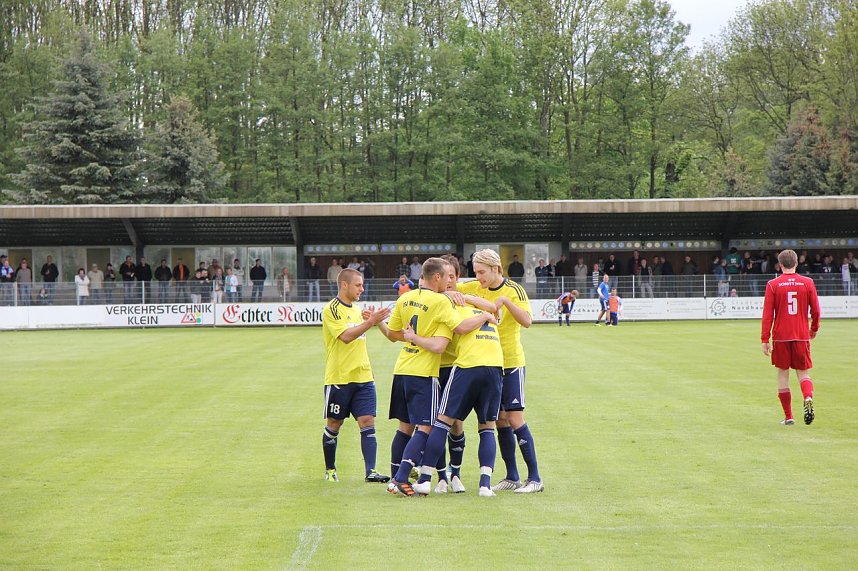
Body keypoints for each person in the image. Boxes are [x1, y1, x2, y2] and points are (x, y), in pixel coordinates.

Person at [381, 257, 496, 496]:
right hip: (426, 371)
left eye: (453, 276)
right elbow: (456, 331)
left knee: (406, 427)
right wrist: (485, 316)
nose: (449, 281)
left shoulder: (404, 298)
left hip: (403, 368)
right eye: (446, 276)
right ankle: (404, 478)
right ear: (437, 277)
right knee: (428, 426)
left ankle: (404, 477)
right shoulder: (442, 303)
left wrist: (412, 337)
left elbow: (393, 333)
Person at [457, 249, 543, 494]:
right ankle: (512, 476)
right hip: (490, 364)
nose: (478, 277)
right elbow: (449, 291)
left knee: (514, 418)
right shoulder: (472, 287)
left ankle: (535, 478)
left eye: (482, 272)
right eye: (476, 272)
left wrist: (504, 302)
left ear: (496, 269)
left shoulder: (514, 290)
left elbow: (527, 321)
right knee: (500, 419)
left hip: (511, 362)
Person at [321, 268, 392, 484]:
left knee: (368, 421)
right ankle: (330, 469)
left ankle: (371, 471)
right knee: (334, 424)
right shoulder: (332, 309)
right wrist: (370, 322)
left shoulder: (358, 310)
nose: (362, 289)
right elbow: (345, 337)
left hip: (363, 377)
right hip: (339, 378)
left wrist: (372, 321)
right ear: (344, 285)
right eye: (358, 285)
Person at [761, 249, 820, 426]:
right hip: (801, 335)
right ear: (796, 263)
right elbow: (816, 311)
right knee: (803, 373)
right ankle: (807, 397)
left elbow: (767, 315)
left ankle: (789, 417)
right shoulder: (807, 282)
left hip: (781, 337)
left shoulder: (773, 284)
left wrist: (764, 339)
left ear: (780, 265)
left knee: (782, 374)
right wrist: (814, 329)